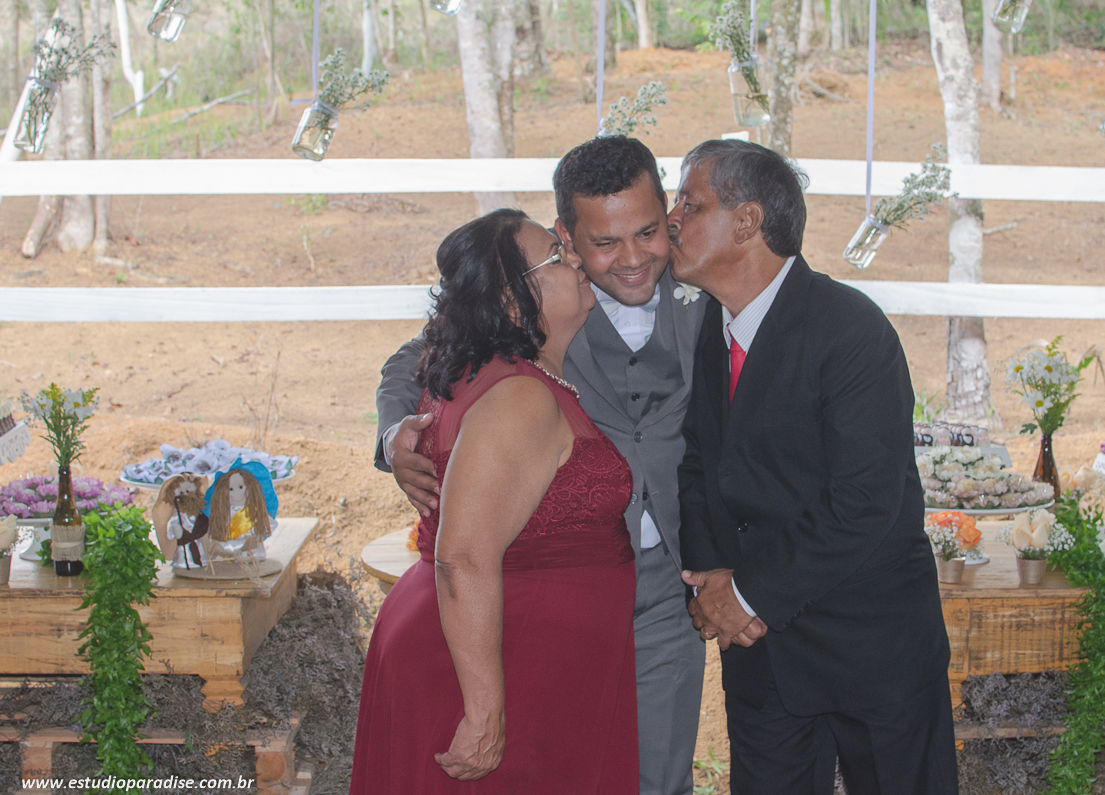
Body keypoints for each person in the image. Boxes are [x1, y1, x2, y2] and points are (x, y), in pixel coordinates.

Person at [376, 136, 707, 795]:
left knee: (655, 775)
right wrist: (394, 438)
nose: (634, 259)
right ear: (567, 235)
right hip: (536, 601)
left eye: (648, 232)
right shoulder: (532, 309)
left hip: (669, 587)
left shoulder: (703, 287)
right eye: (605, 243)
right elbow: (409, 362)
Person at [670, 139, 957, 794]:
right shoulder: (709, 327)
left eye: (689, 202)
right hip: (763, 655)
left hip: (871, 652)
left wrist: (743, 595)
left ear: (746, 221)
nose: (671, 220)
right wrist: (711, 576)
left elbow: (864, 502)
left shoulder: (851, 331)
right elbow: (695, 464)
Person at [350, 209, 639, 793]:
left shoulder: (496, 375)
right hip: (490, 670)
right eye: (556, 257)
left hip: (522, 659)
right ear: (512, 302)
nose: (578, 259)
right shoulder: (519, 400)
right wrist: (484, 709)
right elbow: (464, 557)